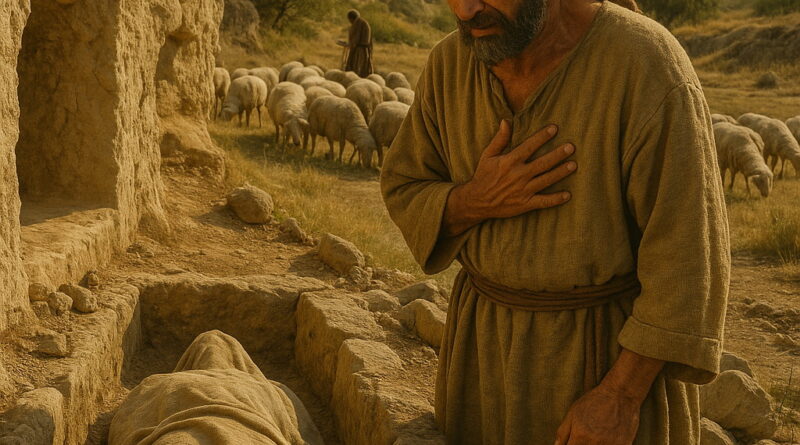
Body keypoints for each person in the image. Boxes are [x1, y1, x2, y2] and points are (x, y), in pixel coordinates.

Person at [379, 0, 730, 444]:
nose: (467, 10)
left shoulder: (644, 63)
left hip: (603, 360)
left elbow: (689, 253)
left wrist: (620, 396)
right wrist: (475, 200)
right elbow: (403, 185)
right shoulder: (450, 63)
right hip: (481, 358)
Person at [109, 330, 324, 445]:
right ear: (240, 359)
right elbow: (303, 436)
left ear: (191, 358)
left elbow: (125, 425)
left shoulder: (159, 382)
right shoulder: (271, 389)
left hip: (180, 437)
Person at [344, 9, 373, 77]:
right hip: (363, 49)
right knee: (363, 66)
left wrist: (350, 45)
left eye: (349, 20)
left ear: (351, 18)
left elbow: (356, 38)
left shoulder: (358, 24)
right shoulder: (362, 22)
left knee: (357, 67)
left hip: (360, 50)